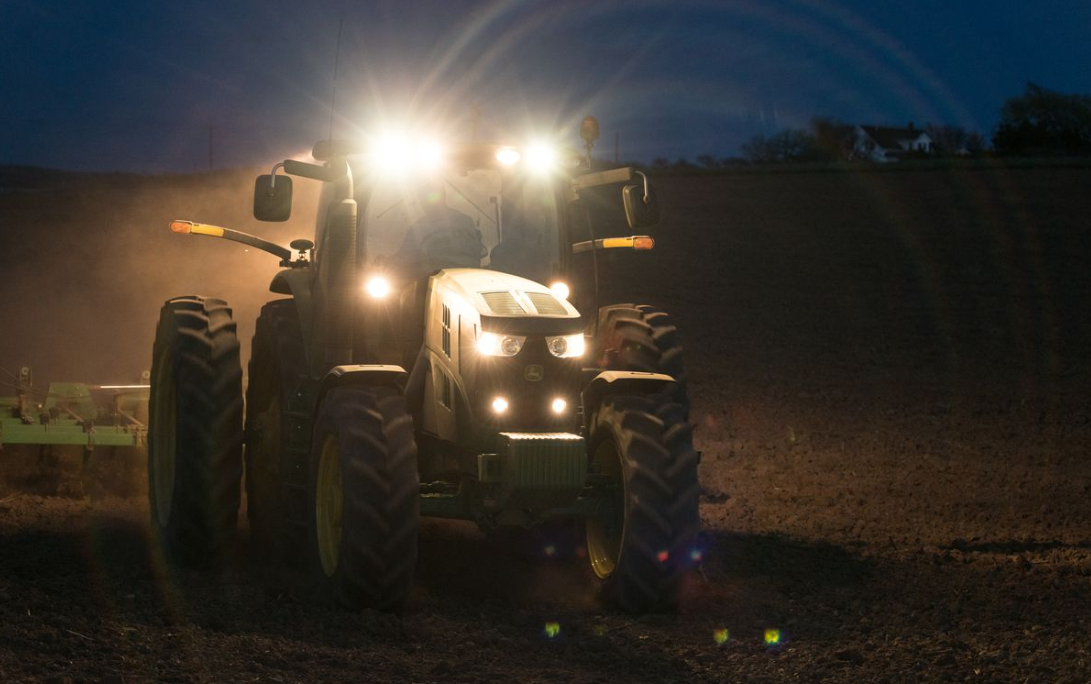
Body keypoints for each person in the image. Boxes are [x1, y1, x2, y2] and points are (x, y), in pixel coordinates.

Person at [392, 183, 484, 274]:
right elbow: (404, 258)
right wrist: (386, 262)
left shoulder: (463, 222)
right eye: (422, 200)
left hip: (463, 279)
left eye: (429, 199)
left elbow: (473, 256)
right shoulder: (417, 228)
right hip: (425, 283)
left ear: (443, 198)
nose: (425, 204)